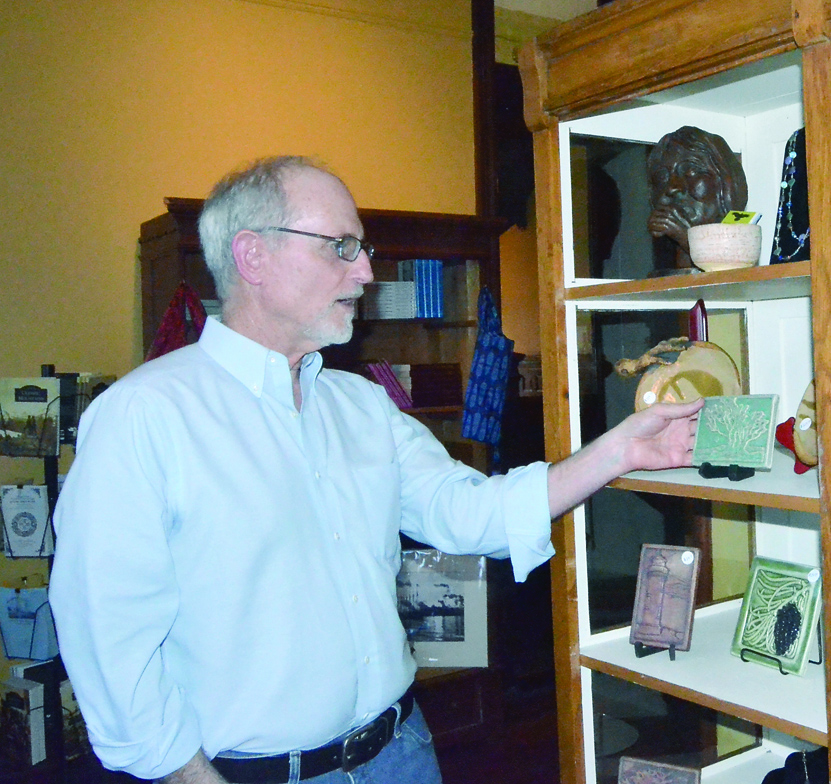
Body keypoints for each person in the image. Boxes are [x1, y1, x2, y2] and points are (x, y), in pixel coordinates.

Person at [49, 156, 704, 784]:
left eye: (361, 249)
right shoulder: (144, 415)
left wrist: (621, 449)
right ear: (252, 255)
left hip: (402, 752)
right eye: (340, 246)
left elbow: (471, 512)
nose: (365, 272)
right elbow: (105, 636)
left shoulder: (359, 403)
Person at [646, 125, 748, 267]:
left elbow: (724, 273)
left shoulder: (741, 238)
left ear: (723, 180)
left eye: (691, 172)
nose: (673, 188)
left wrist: (685, 238)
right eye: (663, 177)